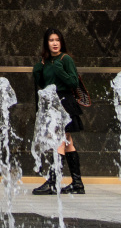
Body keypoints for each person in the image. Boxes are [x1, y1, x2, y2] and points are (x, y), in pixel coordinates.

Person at [31, 28, 84, 194]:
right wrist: (37, 71)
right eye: (51, 40)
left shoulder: (65, 59)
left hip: (65, 103)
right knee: (68, 144)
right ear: (46, 43)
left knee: (60, 141)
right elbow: (43, 84)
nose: (55, 43)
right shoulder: (45, 61)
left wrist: (60, 70)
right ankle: (77, 184)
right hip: (52, 103)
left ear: (61, 42)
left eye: (57, 40)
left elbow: (74, 82)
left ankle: (53, 181)